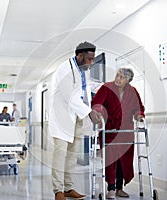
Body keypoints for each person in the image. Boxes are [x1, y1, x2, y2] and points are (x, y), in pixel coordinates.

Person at [48, 41, 102, 200]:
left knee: (72, 155)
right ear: (79, 56)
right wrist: (89, 112)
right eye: (89, 59)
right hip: (62, 118)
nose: (91, 62)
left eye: (93, 59)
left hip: (77, 118)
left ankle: (68, 188)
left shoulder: (83, 70)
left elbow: (86, 87)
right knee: (60, 154)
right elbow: (70, 96)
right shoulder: (64, 69)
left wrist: (104, 87)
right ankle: (58, 190)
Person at [91, 68, 145, 199]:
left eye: (121, 77)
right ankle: (111, 188)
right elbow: (97, 102)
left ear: (128, 80)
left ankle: (120, 188)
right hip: (110, 128)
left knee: (124, 160)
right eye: (117, 75)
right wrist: (97, 112)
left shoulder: (132, 91)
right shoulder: (106, 87)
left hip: (126, 130)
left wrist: (139, 116)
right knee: (111, 158)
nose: (118, 78)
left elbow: (138, 108)